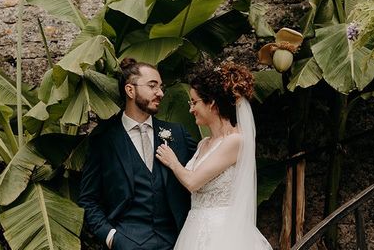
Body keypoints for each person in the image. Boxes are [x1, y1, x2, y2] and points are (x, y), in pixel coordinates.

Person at [78, 58, 197, 250]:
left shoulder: (178, 134)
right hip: (126, 241)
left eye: (160, 87)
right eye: (152, 86)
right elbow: (88, 199)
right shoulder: (104, 138)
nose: (160, 93)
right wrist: (111, 237)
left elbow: (205, 172)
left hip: (178, 242)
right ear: (130, 90)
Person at [155, 61, 272, 250]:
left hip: (223, 233)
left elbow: (193, 182)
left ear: (212, 103)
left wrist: (173, 162)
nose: (191, 109)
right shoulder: (203, 144)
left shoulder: (235, 141)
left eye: (194, 102)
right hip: (194, 228)